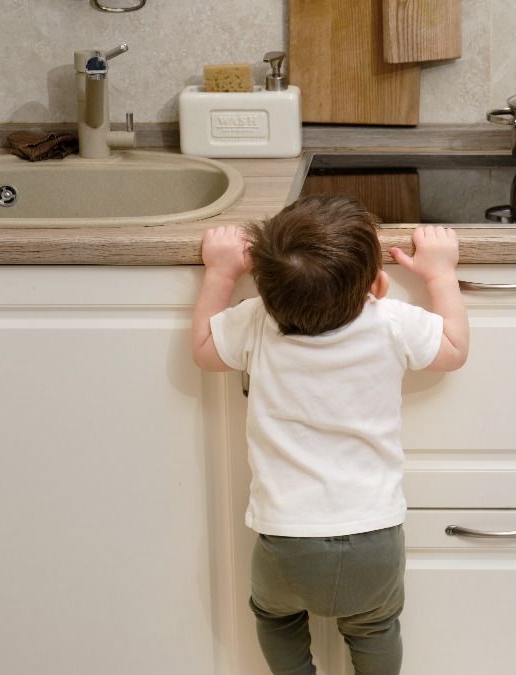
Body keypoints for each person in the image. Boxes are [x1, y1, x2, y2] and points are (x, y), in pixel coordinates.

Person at [190, 194, 469, 675]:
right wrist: (441, 273)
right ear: (378, 284)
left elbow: (203, 350)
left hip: (285, 541)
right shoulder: (390, 322)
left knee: (275, 618)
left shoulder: (256, 321)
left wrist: (218, 273)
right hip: (373, 537)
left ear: (262, 284)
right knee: (375, 628)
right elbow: (454, 349)